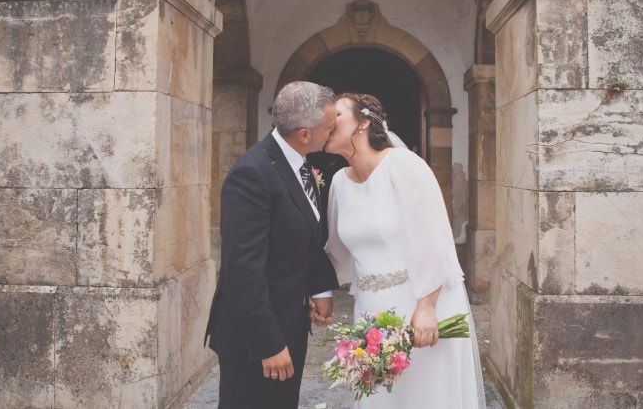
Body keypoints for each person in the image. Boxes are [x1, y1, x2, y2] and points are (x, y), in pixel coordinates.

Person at [324, 92, 486, 408]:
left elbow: (433, 236)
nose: (329, 120)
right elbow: (335, 249)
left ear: (364, 122)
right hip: (370, 310)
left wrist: (426, 306)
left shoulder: (403, 165)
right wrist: (317, 291)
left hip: (419, 302)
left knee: (424, 398)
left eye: (338, 114)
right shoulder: (338, 183)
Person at [204, 81, 340, 409]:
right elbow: (243, 271)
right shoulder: (252, 174)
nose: (333, 132)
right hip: (254, 337)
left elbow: (304, 233)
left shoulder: (298, 160)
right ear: (304, 133)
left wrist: (319, 288)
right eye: (329, 127)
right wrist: (268, 345)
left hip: (289, 322)